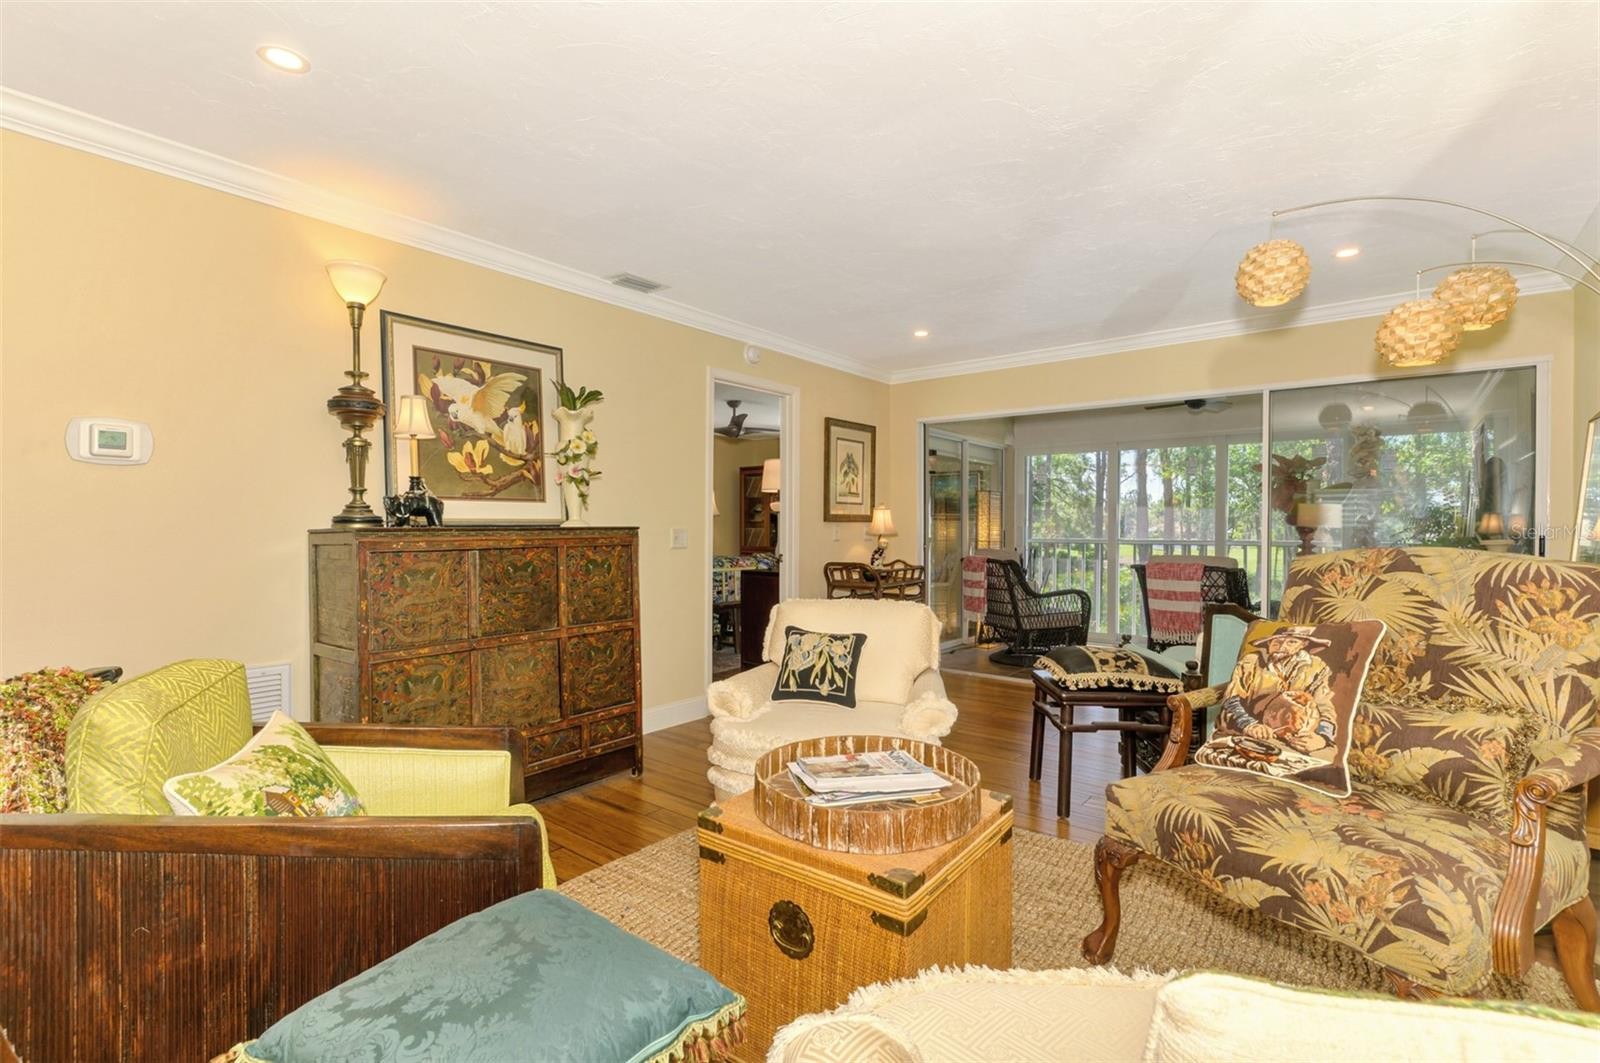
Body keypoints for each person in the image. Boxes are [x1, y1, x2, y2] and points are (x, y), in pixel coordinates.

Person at [1216, 626, 1337, 754]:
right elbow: (1231, 699)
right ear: (1269, 643)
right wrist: (1249, 724)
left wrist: (1323, 737)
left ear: (1303, 644)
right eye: (1276, 642)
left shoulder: (1316, 667)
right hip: (1243, 733)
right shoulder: (1251, 662)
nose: (1281, 646)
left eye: (1291, 642)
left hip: (1292, 740)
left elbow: (1325, 706)